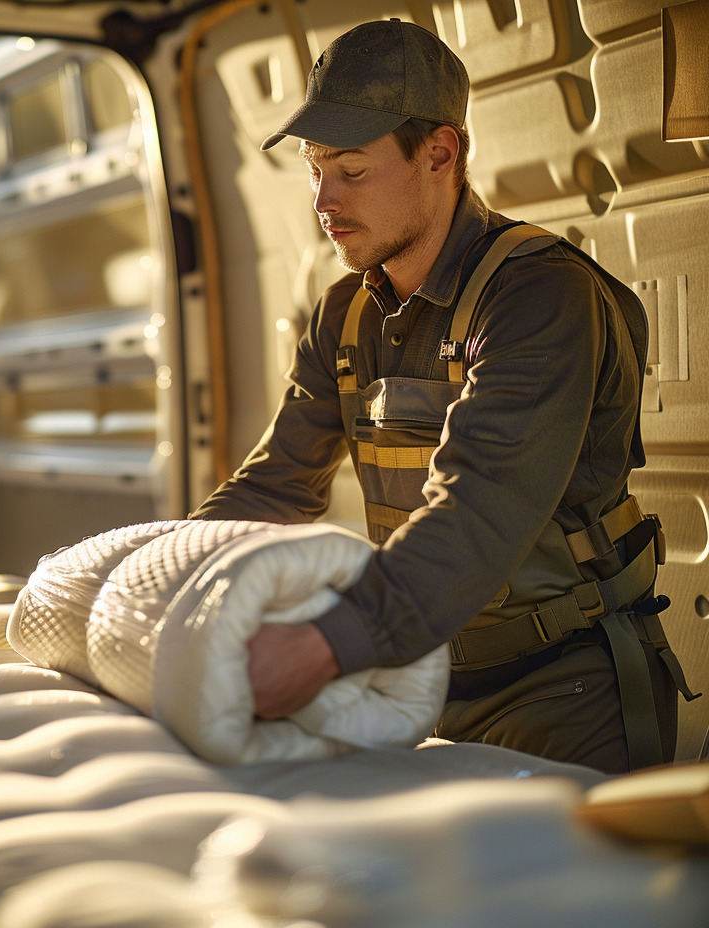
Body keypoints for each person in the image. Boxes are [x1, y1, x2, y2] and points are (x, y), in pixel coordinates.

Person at [190, 18, 694, 773]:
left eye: (352, 171)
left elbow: (480, 505)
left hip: (563, 689)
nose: (324, 201)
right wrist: (156, 575)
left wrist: (327, 643)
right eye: (313, 167)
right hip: (418, 678)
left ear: (440, 154)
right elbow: (273, 487)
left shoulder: (539, 297)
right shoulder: (344, 313)